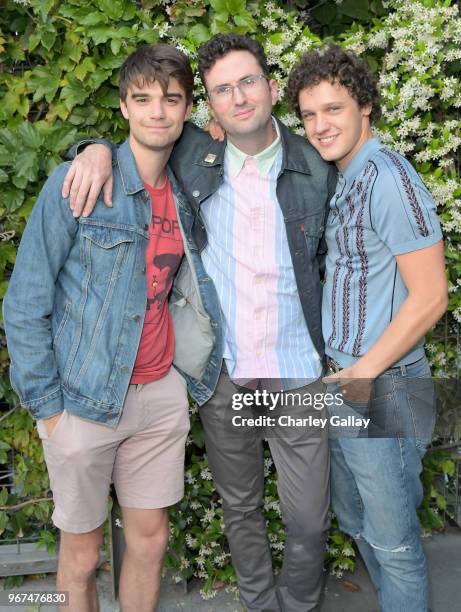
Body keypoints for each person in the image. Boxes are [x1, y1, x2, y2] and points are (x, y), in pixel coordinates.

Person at [60, 34, 337, 612]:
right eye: (222, 90)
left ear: (270, 84)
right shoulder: (192, 155)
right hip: (226, 372)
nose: (238, 98)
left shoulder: (315, 163)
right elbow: (138, 143)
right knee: (240, 508)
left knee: (309, 515)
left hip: (298, 372)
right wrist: (93, 149)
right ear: (206, 105)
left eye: (248, 81)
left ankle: (301, 603)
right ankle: (260, 603)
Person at [2, 43, 221, 612]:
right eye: (142, 99)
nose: (157, 111)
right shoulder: (78, 184)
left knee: (151, 541)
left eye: (170, 100)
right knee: (79, 557)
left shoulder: (191, 187)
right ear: (123, 107)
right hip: (81, 402)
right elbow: (25, 302)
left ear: (186, 109)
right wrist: (49, 410)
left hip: (160, 396)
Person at [287, 45, 448, 612]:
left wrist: (362, 373)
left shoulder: (388, 179)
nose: (320, 125)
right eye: (309, 115)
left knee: (395, 542)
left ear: (367, 108)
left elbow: (431, 297)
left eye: (333, 109)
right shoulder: (345, 176)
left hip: (385, 385)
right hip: (347, 382)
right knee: (356, 518)